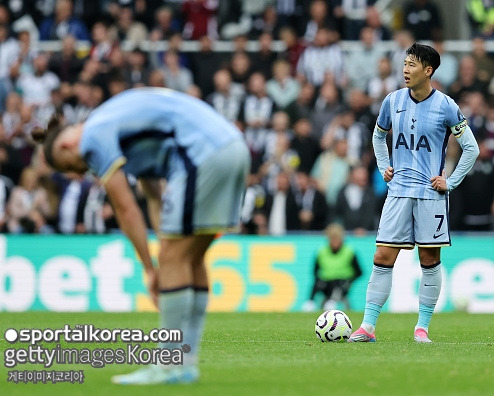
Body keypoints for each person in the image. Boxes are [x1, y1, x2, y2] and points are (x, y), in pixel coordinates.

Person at [32, 87, 250, 384]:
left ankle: (168, 365)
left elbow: (126, 209)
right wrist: (163, 251)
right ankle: (186, 364)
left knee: (175, 258)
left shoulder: (94, 136)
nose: (84, 171)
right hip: (233, 147)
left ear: (68, 146)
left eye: (76, 167)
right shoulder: (119, 122)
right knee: (191, 257)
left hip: (203, 155)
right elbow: (153, 194)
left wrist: (151, 268)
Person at [348, 43, 479, 344]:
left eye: (411, 65)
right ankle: (367, 326)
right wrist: (384, 165)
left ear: (428, 70)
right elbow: (378, 136)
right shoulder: (392, 101)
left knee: (429, 259)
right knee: (382, 255)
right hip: (398, 193)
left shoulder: (446, 105)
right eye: (404, 63)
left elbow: (472, 148)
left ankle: (422, 328)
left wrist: (452, 181)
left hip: (431, 196)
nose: (405, 70)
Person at [302, 223, 362, 311]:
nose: (334, 242)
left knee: (338, 286)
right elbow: (315, 271)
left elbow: (359, 272)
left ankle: (331, 302)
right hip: (326, 282)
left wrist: (350, 281)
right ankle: (310, 302)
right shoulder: (321, 251)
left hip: (341, 282)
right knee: (317, 283)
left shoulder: (349, 251)